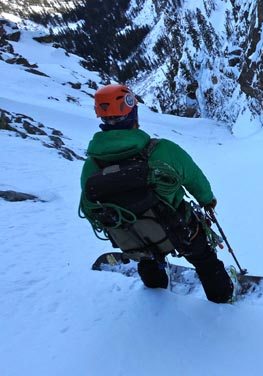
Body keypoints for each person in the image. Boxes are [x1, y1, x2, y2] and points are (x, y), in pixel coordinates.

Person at [79, 84, 234, 303]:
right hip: (177, 229)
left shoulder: (92, 166)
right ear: (133, 113)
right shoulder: (161, 150)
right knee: (203, 258)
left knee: (147, 258)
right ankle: (221, 297)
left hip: (132, 235)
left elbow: (89, 208)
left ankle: (155, 287)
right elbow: (194, 178)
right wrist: (207, 200)